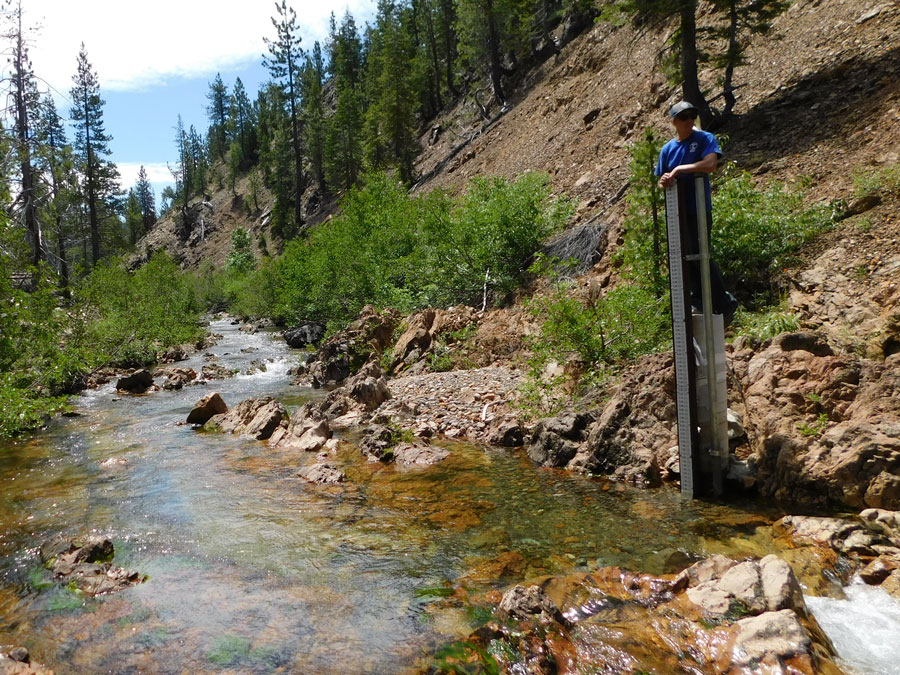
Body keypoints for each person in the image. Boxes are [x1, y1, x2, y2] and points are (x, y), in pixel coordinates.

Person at [656, 101, 737, 323]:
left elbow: (710, 164)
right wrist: (665, 181)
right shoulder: (668, 149)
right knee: (684, 255)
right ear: (673, 122)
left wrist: (680, 169)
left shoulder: (704, 139)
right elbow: (661, 180)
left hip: (698, 207)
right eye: (684, 117)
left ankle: (723, 302)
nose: (689, 121)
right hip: (677, 211)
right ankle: (697, 299)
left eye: (692, 116)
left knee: (700, 252)